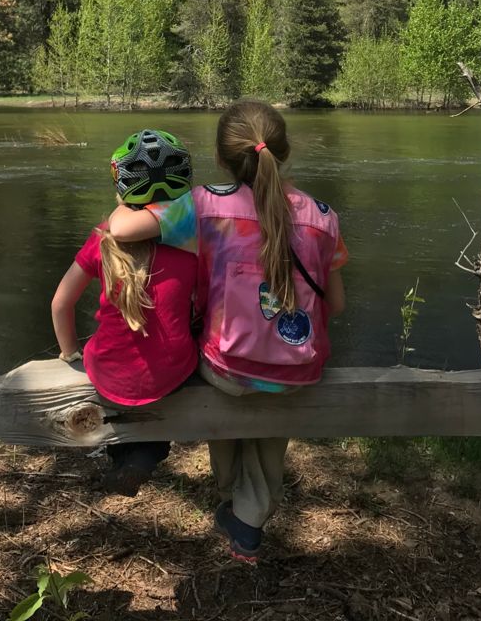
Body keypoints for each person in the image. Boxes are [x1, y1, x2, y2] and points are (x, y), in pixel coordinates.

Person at [108, 98, 347, 561]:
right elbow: (335, 303)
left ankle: (221, 488)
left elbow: (121, 229)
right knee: (272, 394)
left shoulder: (202, 206)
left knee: (217, 363)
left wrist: (124, 196)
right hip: (298, 371)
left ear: (221, 158)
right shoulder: (324, 216)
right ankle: (249, 515)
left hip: (225, 368)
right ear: (284, 152)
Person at [51, 128, 198, 496]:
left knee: (112, 364)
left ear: (122, 187)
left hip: (109, 372)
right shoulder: (194, 241)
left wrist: (70, 352)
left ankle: (124, 460)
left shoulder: (103, 235)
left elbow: (60, 303)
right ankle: (145, 454)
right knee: (175, 357)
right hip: (171, 374)